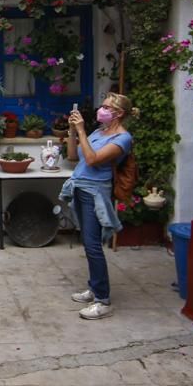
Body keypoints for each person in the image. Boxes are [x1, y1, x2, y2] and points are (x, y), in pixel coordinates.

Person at [58, 93, 137, 320]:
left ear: (119, 113)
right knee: (88, 240)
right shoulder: (98, 132)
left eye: (106, 107)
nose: (100, 110)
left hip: (96, 192)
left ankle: (102, 300)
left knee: (93, 245)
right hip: (80, 187)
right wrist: (74, 130)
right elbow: (75, 156)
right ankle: (94, 288)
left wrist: (82, 130)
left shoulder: (123, 139)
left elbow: (93, 160)